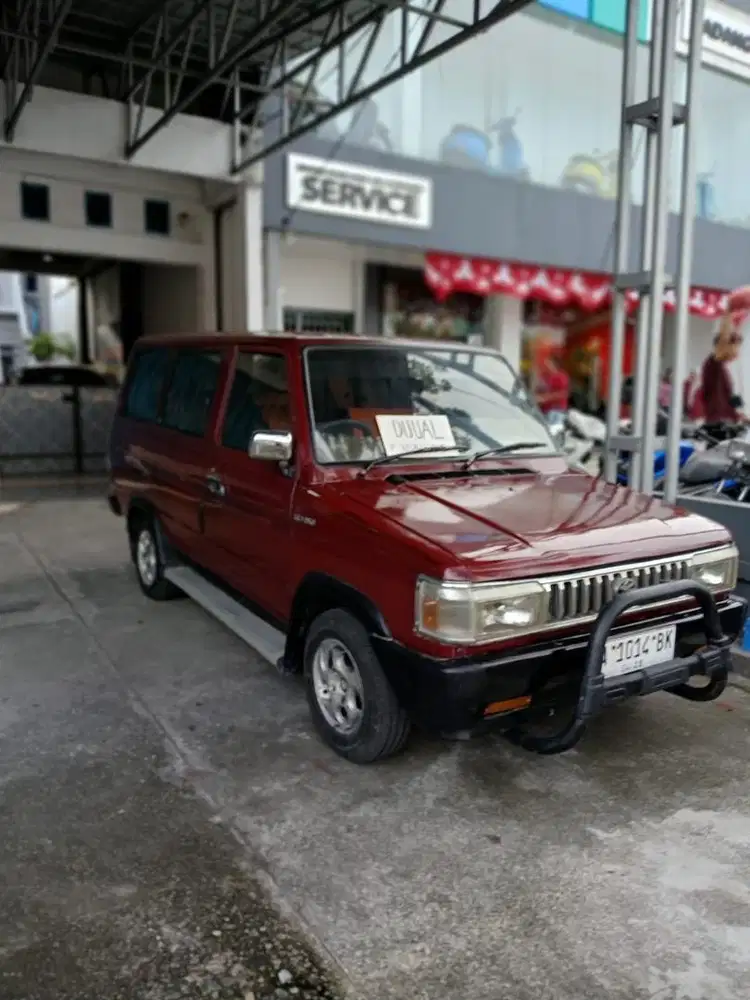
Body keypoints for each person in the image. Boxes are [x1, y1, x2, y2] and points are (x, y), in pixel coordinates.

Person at [701, 324, 745, 424]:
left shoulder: (722, 369)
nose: (737, 351)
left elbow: (727, 398)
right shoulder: (713, 364)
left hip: (726, 421)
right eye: (735, 347)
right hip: (718, 423)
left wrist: (738, 415)